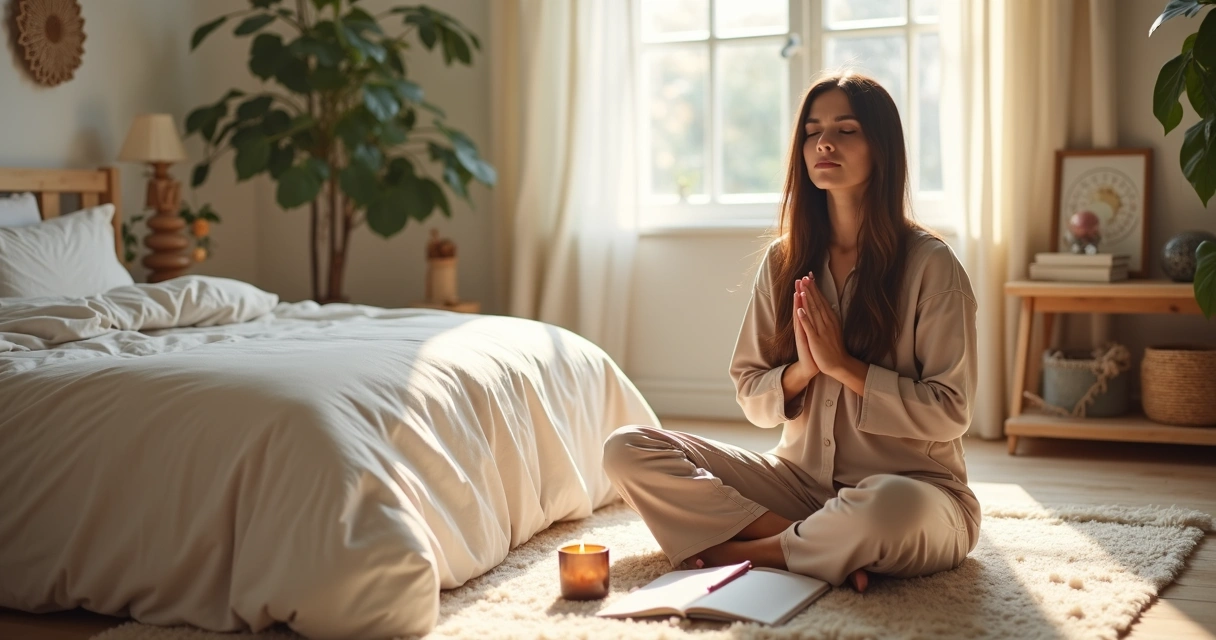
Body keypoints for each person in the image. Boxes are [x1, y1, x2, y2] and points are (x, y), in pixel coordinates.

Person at [602, 72, 980, 593]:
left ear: (882, 148)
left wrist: (846, 367)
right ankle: (812, 544)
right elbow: (751, 396)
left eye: (846, 129)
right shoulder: (784, 261)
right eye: (812, 130)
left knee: (887, 508)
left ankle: (740, 553)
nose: (824, 142)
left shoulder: (932, 266)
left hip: (916, 492)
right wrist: (804, 370)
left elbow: (950, 412)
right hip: (796, 484)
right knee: (627, 447)